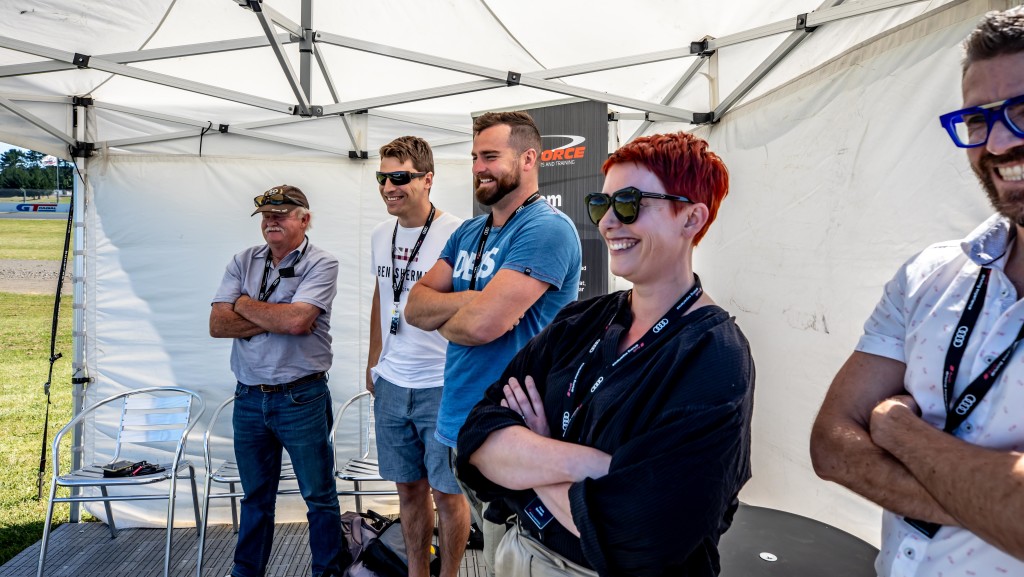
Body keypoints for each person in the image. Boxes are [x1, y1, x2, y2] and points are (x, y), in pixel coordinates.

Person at [455, 131, 755, 577]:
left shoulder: (715, 355)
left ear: (691, 218)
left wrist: (530, 458)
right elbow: (477, 437)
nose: (609, 221)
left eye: (630, 203)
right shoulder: (582, 320)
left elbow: (640, 534)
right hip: (523, 555)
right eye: (601, 204)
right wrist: (596, 467)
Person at [810, 7, 1024, 575]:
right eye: (977, 120)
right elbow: (830, 445)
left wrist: (896, 429)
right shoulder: (930, 273)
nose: (998, 143)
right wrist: (990, 504)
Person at [405, 110, 583, 576]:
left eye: (490, 156)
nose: (478, 168)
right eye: (474, 157)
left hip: (514, 426)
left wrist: (456, 315)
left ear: (528, 159)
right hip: (458, 421)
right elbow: (414, 308)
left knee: (517, 559)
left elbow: (482, 327)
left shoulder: (545, 228)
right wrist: (472, 301)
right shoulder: (468, 231)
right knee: (490, 552)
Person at [210, 185, 342, 577]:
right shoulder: (243, 260)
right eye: (267, 216)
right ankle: (246, 572)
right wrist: (277, 315)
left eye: (281, 214)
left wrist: (244, 305)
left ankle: (327, 572)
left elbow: (298, 322)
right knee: (255, 497)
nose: (272, 221)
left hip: (302, 397)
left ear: (305, 219)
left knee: (318, 497)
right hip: (249, 397)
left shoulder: (322, 263)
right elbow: (218, 325)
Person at [366, 136, 469, 577]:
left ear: (428, 179)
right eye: (383, 177)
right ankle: (416, 572)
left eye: (400, 177)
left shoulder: (459, 233)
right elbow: (382, 295)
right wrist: (373, 360)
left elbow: (472, 305)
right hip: (392, 382)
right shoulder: (380, 234)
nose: (389, 187)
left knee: (448, 494)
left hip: (441, 384)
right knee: (408, 490)